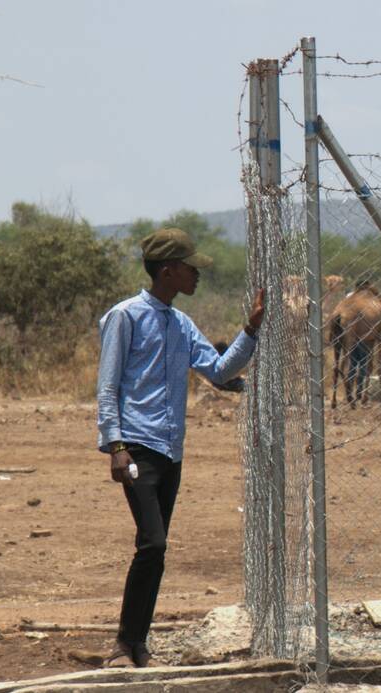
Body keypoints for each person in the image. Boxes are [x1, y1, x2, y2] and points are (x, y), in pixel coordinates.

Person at [96, 228, 265, 667]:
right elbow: (108, 386)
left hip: (171, 453)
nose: (197, 275)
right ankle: (123, 644)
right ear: (168, 270)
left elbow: (219, 370)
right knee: (152, 543)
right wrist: (114, 444)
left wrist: (250, 329)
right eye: (191, 268)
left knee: (155, 546)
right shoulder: (125, 316)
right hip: (136, 448)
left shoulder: (181, 323)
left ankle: (136, 645)